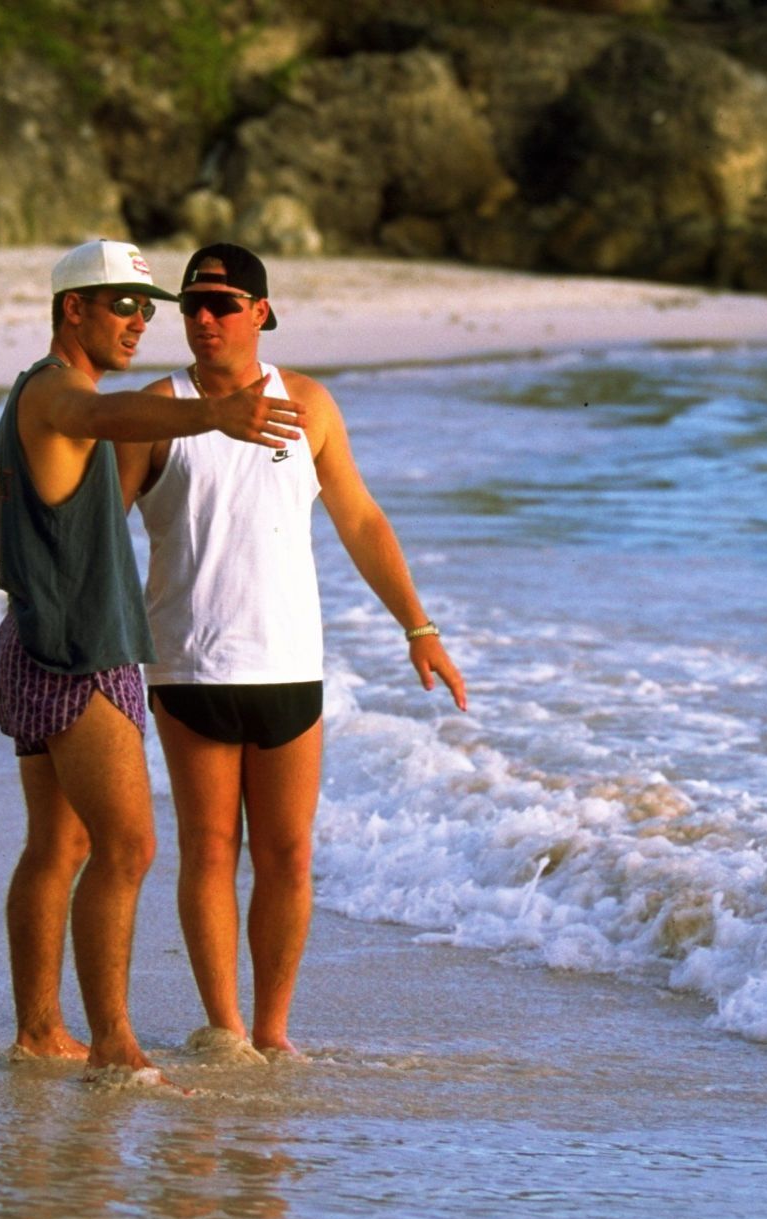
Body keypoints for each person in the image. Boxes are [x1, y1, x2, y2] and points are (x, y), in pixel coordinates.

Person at [0, 239, 304, 1081]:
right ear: (72, 309)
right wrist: (211, 415)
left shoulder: (34, 397)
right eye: (122, 305)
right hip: (80, 656)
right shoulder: (58, 392)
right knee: (129, 847)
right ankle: (112, 1042)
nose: (140, 322)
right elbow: (109, 420)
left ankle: (40, 1030)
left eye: (148, 307)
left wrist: (41, 580)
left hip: (42, 641)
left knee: (58, 844)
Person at [132, 243, 467, 1060]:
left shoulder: (308, 403)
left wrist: (417, 627)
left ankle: (274, 1032)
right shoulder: (156, 408)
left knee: (288, 853)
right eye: (192, 305)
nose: (204, 318)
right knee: (209, 849)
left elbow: (360, 519)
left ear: (261, 313)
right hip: (190, 662)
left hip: (289, 664)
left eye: (222, 304)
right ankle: (227, 1029)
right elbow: (97, 526)